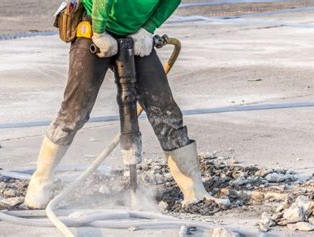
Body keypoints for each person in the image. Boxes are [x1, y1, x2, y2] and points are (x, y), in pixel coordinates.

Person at [24, 0, 218, 209]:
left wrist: (148, 29)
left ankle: (194, 190)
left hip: (135, 33)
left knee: (165, 110)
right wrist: (98, 32)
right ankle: (40, 183)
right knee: (75, 111)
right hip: (94, 25)